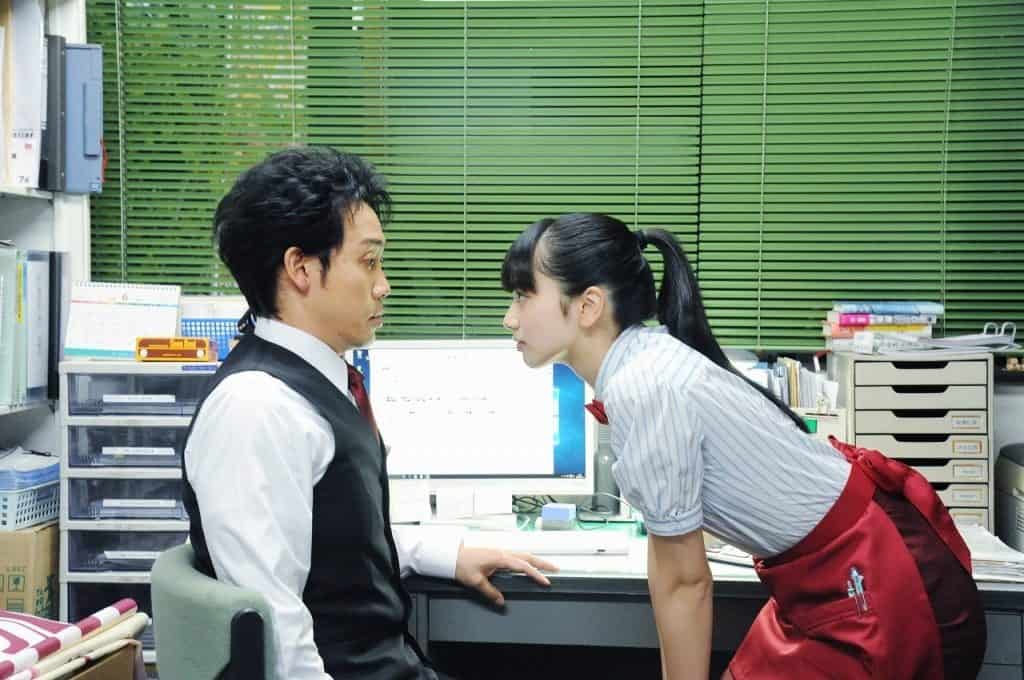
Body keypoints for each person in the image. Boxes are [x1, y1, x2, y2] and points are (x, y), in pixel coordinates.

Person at [499, 212, 986, 680]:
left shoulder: (643, 385)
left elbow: (685, 583)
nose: (509, 318)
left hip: (883, 582)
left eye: (523, 296)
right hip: (829, 576)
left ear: (588, 306)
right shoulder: (645, 361)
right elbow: (672, 563)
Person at [182, 146, 555, 680]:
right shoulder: (256, 409)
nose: (384, 284)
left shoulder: (320, 384)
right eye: (368, 261)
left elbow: (337, 544)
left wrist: (447, 554)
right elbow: (276, 634)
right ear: (300, 268)